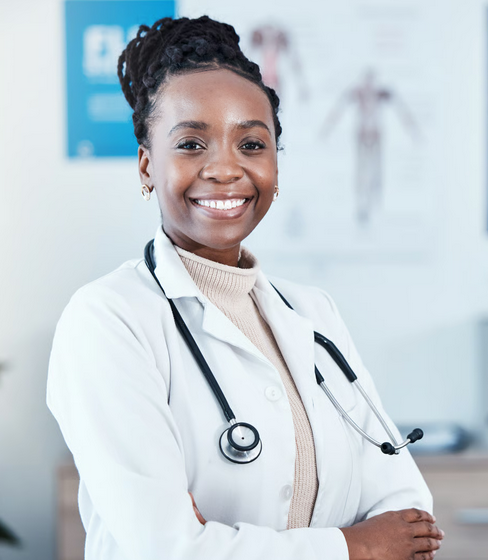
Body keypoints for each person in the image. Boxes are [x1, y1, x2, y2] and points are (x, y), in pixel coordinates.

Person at [46, 16, 442, 560]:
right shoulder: (108, 319)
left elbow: (408, 514)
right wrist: (354, 548)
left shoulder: (311, 312)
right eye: (191, 143)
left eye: (252, 144)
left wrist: (231, 543)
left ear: (276, 164)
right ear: (146, 166)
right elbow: (167, 548)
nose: (226, 169)